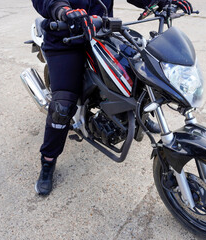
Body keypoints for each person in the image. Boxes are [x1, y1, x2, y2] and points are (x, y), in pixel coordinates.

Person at [31, 0, 193, 196]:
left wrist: (158, 2)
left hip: (102, 32)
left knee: (141, 74)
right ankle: (48, 161)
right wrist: (63, 11)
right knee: (62, 107)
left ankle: (140, 116)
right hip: (65, 38)